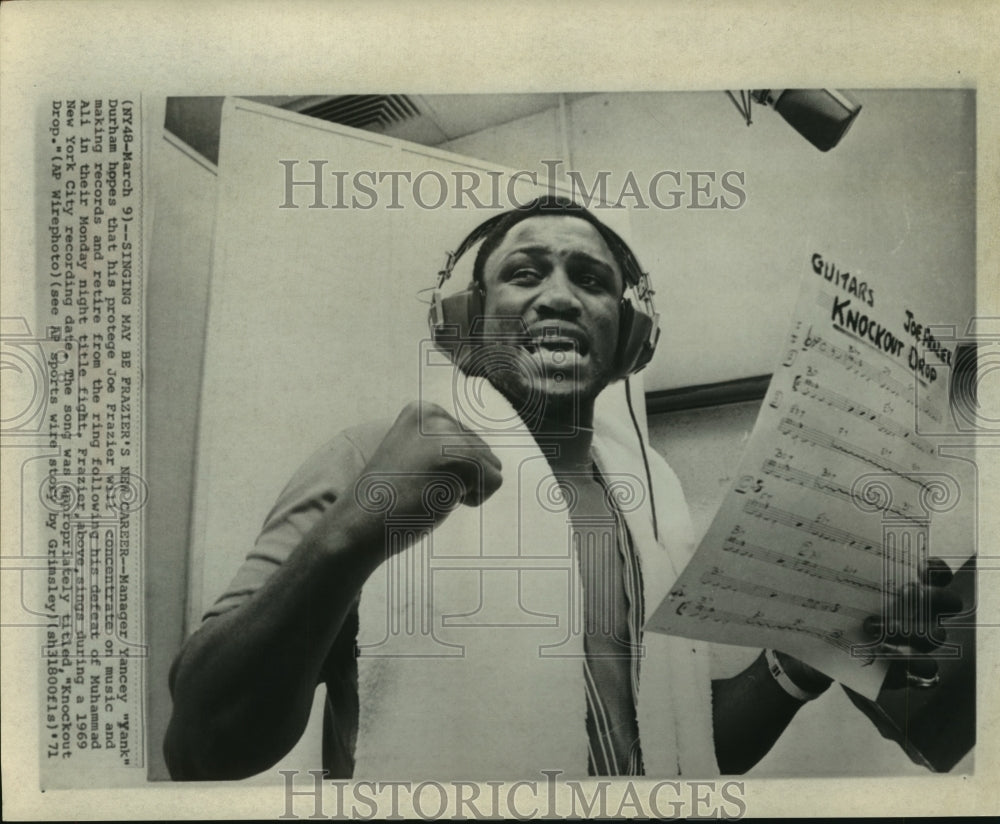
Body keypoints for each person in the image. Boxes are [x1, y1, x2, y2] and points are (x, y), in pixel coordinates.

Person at [164, 196, 961, 781]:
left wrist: (807, 659)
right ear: (464, 322)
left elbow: (680, 752)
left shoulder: (658, 498)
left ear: (630, 340)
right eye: (522, 273)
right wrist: (354, 532)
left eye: (589, 278)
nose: (557, 296)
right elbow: (203, 747)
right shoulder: (371, 454)